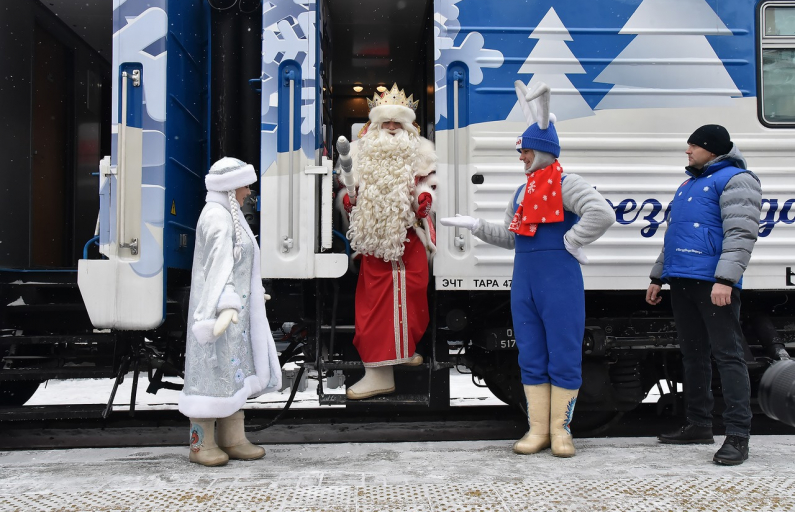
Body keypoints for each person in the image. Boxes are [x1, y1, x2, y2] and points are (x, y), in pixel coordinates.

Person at [440, 81, 614, 457]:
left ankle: (562, 432)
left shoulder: (568, 184)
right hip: (525, 283)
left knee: (564, 353)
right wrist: (476, 226)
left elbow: (602, 213)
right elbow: (511, 238)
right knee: (530, 354)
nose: (521, 157)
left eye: (525, 151)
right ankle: (538, 431)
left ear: (543, 150)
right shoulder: (522, 193)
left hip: (559, 281)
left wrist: (571, 241)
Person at [647, 124, 762, 466]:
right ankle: (698, 424)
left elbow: (741, 233)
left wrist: (726, 279)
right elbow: (674, 235)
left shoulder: (737, 180)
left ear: (711, 150)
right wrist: (658, 276)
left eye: (693, 146)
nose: (688, 151)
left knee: (728, 356)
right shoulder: (690, 184)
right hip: (682, 280)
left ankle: (738, 435)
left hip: (713, 283)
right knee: (693, 355)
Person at [335, 83, 438, 400]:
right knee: (375, 306)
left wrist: (425, 197)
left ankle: (403, 349)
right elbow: (346, 191)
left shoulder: (421, 152)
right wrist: (349, 203)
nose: (392, 128)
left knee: (412, 298)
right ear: (376, 125)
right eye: (386, 122)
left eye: (398, 122)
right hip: (374, 241)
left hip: (409, 239)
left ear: (408, 125)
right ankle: (379, 374)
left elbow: (431, 186)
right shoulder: (361, 151)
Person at [178, 157, 282, 466]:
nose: (249, 192)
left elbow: (234, 265)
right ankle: (201, 444)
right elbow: (217, 268)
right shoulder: (218, 218)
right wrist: (224, 305)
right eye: (245, 185)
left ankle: (231, 439)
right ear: (230, 187)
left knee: (231, 372)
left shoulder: (227, 214)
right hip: (218, 316)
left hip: (233, 315)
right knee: (211, 372)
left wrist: (249, 295)